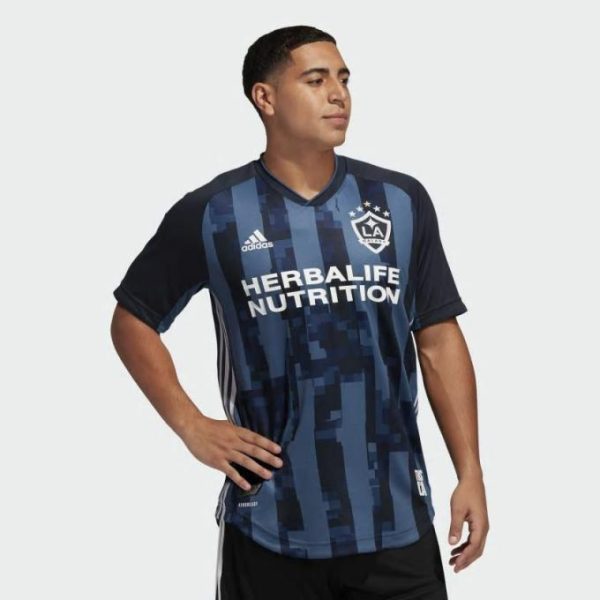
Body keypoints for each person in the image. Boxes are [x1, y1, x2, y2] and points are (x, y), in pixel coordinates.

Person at [111, 24, 488, 600]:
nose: (338, 94)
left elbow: (437, 340)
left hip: (394, 521)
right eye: (315, 80)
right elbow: (133, 319)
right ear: (265, 98)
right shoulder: (214, 212)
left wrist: (470, 471)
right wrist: (191, 426)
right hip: (270, 524)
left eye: (343, 79)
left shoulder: (399, 201)